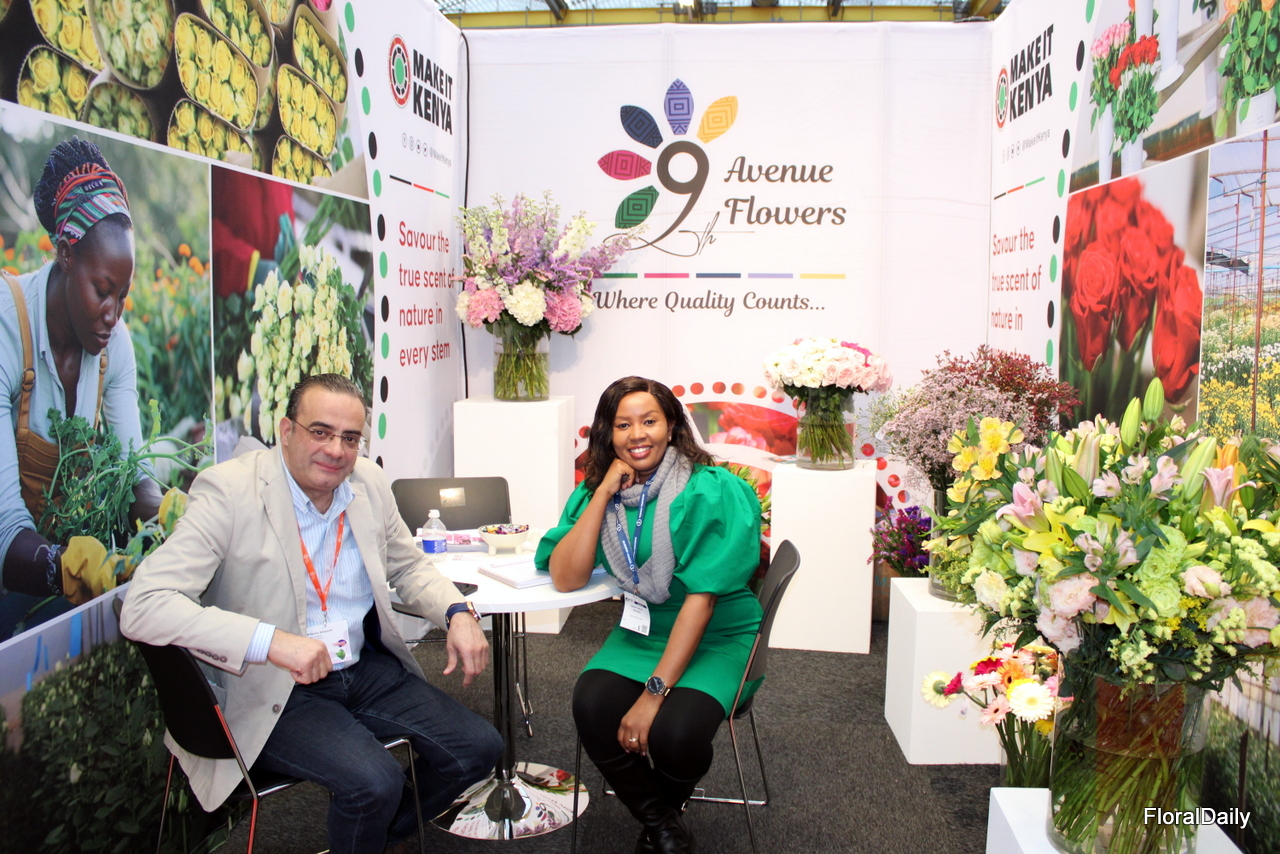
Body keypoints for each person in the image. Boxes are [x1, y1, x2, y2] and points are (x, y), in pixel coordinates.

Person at [121, 374, 503, 854]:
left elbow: (408, 565)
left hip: (360, 669)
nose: (336, 450)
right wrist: (271, 641)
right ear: (286, 431)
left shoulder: (368, 483)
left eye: (350, 438)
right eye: (320, 432)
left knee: (479, 749)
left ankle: (378, 836)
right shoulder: (229, 491)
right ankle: (369, 830)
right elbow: (144, 603)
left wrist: (457, 611)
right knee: (375, 783)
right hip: (273, 686)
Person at [536, 376, 764, 854]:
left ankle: (659, 820)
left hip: (716, 633)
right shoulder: (601, 493)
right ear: (608, 433)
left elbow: (702, 600)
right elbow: (566, 578)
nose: (637, 435)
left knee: (676, 734)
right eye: (623, 425)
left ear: (672, 426)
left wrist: (653, 693)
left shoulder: (710, 490)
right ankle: (662, 824)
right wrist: (602, 492)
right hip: (644, 632)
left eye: (649, 421)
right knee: (592, 706)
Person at [0, 136, 163, 620]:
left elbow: (133, 476)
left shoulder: (115, 349)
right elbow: (6, 529)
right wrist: (68, 568)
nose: (113, 314)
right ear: (66, 254)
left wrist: (171, 515)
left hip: (47, 573)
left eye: (123, 296)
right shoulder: (7, 327)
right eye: (102, 291)